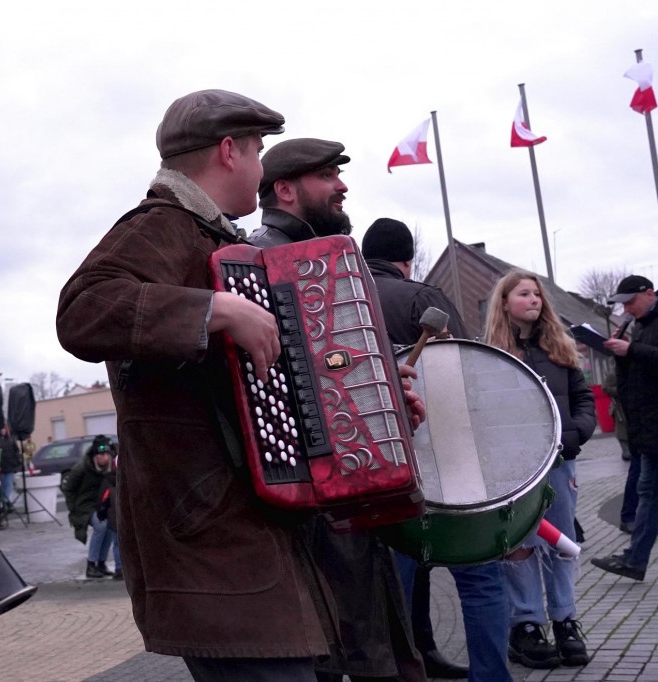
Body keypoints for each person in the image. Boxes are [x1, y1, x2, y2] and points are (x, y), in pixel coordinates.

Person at [57, 89, 339, 681]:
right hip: (210, 539)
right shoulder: (162, 223)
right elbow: (83, 309)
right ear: (229, 151)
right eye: (258, 152)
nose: (263, 169)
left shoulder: (215, 238)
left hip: (239, 533)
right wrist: (215, 310)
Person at [251, 143, 426, 682]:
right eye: (327, 176)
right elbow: (268, 381)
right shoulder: (260, 257)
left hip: (347, 496)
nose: (342, 186)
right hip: (311, 505)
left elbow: (330, 366)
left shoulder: (328, 257)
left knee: (376, 647)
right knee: (340, 653)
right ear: (285, 189)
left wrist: (384, 392)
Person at [362, 218, 513, 681]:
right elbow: (468, 370)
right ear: (406, 261)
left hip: (382, 465)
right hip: (450, 459)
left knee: (399, 574)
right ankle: (490, 675)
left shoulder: (345, 302)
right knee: (479, 574)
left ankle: (411, 666)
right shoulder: (422, 297)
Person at [483, 270, 595, 668]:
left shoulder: (560, 350)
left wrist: (574, 436)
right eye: (524, 294)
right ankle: (526, 625)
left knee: (561, 543)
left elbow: (584, 403)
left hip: (561, 466)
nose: (535, 300)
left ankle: (565, 620)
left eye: (537, 294)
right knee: (520, 545)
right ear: (505, 302)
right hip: (514, 473)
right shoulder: (489, 356)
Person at [593, 275, 658, 581]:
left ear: (650, 293)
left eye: (631, 302)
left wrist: (630, 351)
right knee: (648, 493)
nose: (628, 309)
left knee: (649, 493)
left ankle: (635, 559)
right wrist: (619, 353)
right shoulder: (639, 326)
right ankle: (635, 559)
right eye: (624, 304)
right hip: (647, 430)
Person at [61, 435, 121, 579]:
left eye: (107, 454)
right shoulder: (82, 467)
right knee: (100, 526)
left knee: (110, 526)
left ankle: (101, 563)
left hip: (103, 504)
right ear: (95, 455)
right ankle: (91, 564)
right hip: (85, 505)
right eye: (101, 455)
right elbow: (68, 488)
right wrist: (73, 508)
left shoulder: (112, 466)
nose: (105, 458)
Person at [603, 362, 638, 533]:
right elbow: (607, 388)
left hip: (643, 423)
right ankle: (628, 516)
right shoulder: (619, 368)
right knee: (637, 468)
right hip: (631, 422)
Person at [0, 425, 23, 508]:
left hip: (10, 465)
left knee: (9, 484)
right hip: (2, 466)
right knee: (4, 485)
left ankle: (6, 501)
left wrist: (18, 462)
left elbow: (16, 451)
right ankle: (6, 503)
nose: (3, 430)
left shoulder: (11, 439)